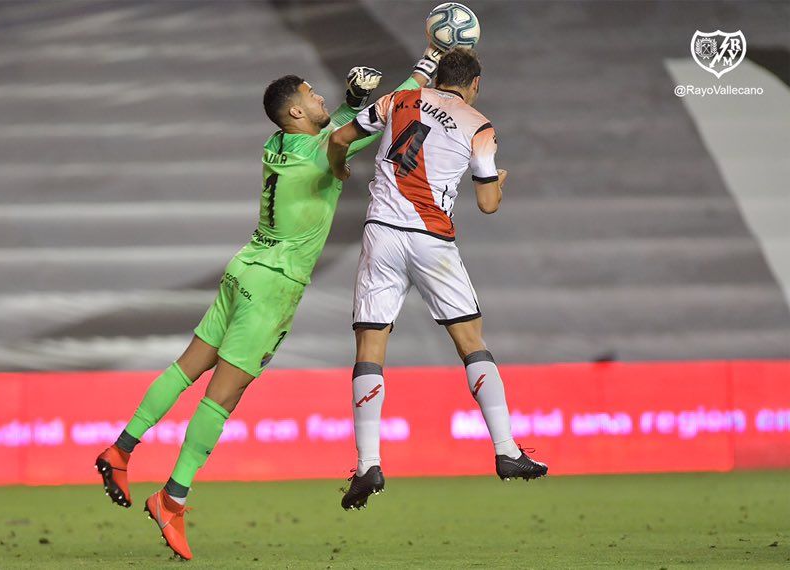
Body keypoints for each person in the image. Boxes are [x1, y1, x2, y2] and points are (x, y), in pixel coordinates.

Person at [93, 46, 446, 560]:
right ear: (296, 111)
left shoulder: (277, 144)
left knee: (186, 367)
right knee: (223, 396)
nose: (320, 97)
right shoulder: (321, 149)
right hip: (274, 285)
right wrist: (424, 69)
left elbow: (333, 135)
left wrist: (347, 104)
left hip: (244, 269)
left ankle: (121, 449)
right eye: (311, 93)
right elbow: (372, 122)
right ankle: (172, 498)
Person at [327, 48, 549, 511]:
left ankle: (368, 464)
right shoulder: (478, 125)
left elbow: (340, 138)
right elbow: (487, 204)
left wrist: (339, 168)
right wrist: (498, 182)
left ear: (438, 76)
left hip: (382, 233)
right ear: (475, 84)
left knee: (370, 346)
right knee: (470, 341)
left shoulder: (397, 100)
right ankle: (506, 450)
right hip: (432, 238)